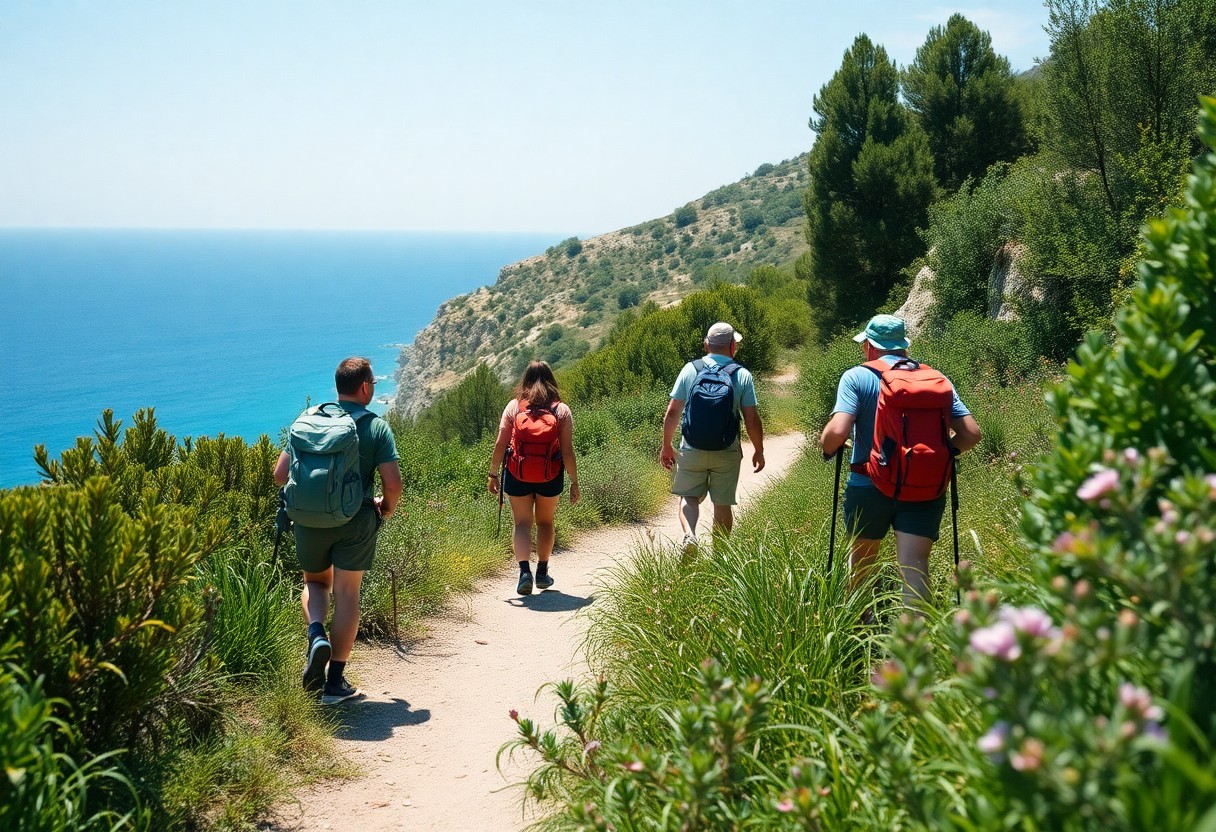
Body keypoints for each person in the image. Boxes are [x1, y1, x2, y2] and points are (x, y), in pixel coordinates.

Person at [818, 314, 981, 611]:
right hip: (925, 486)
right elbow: (971, 434)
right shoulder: (936, 379)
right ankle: (915, 644)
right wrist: (940, 455)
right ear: (904, 345)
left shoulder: (856, 376)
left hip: (869, 483)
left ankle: (861, 630)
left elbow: (837, 432)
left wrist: (826, 445)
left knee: (862, 563)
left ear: (869, 346)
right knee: (915, 565)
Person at [274, 357, 402, 705]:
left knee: (315, 583)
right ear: (364, 387)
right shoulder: (376, 428)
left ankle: (316, 634)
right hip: (355, 519)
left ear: (338, 388)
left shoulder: (309, 422)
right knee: (347, 595)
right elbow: (393, 484)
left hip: (308, 521)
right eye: (373, 384)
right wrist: (384, 510)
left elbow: (279, 475)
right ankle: (335, 684)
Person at [660, 321, 765, 555]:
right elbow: (752, 419)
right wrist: (759, 449)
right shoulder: (742, 374)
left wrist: (667, 446)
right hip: (726, 450)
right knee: (722, 503)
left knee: (689, 496)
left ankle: (690, 536)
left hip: (692, 447)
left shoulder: (691, 369)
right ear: (732, 346)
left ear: (706, 345)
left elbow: (673, 411)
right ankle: (720, 558)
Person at [487, 361, 580, 596]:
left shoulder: (514, 407)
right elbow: (567, 451)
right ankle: (542, 572)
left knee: (521, 523)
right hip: (550, 474)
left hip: (518, 473)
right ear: (551, 380)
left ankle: (523, 573)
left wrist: (493, 473)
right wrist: (574, 481)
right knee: (545, 522)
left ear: (525, 381)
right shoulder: (561, 410)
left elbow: (500, 444)